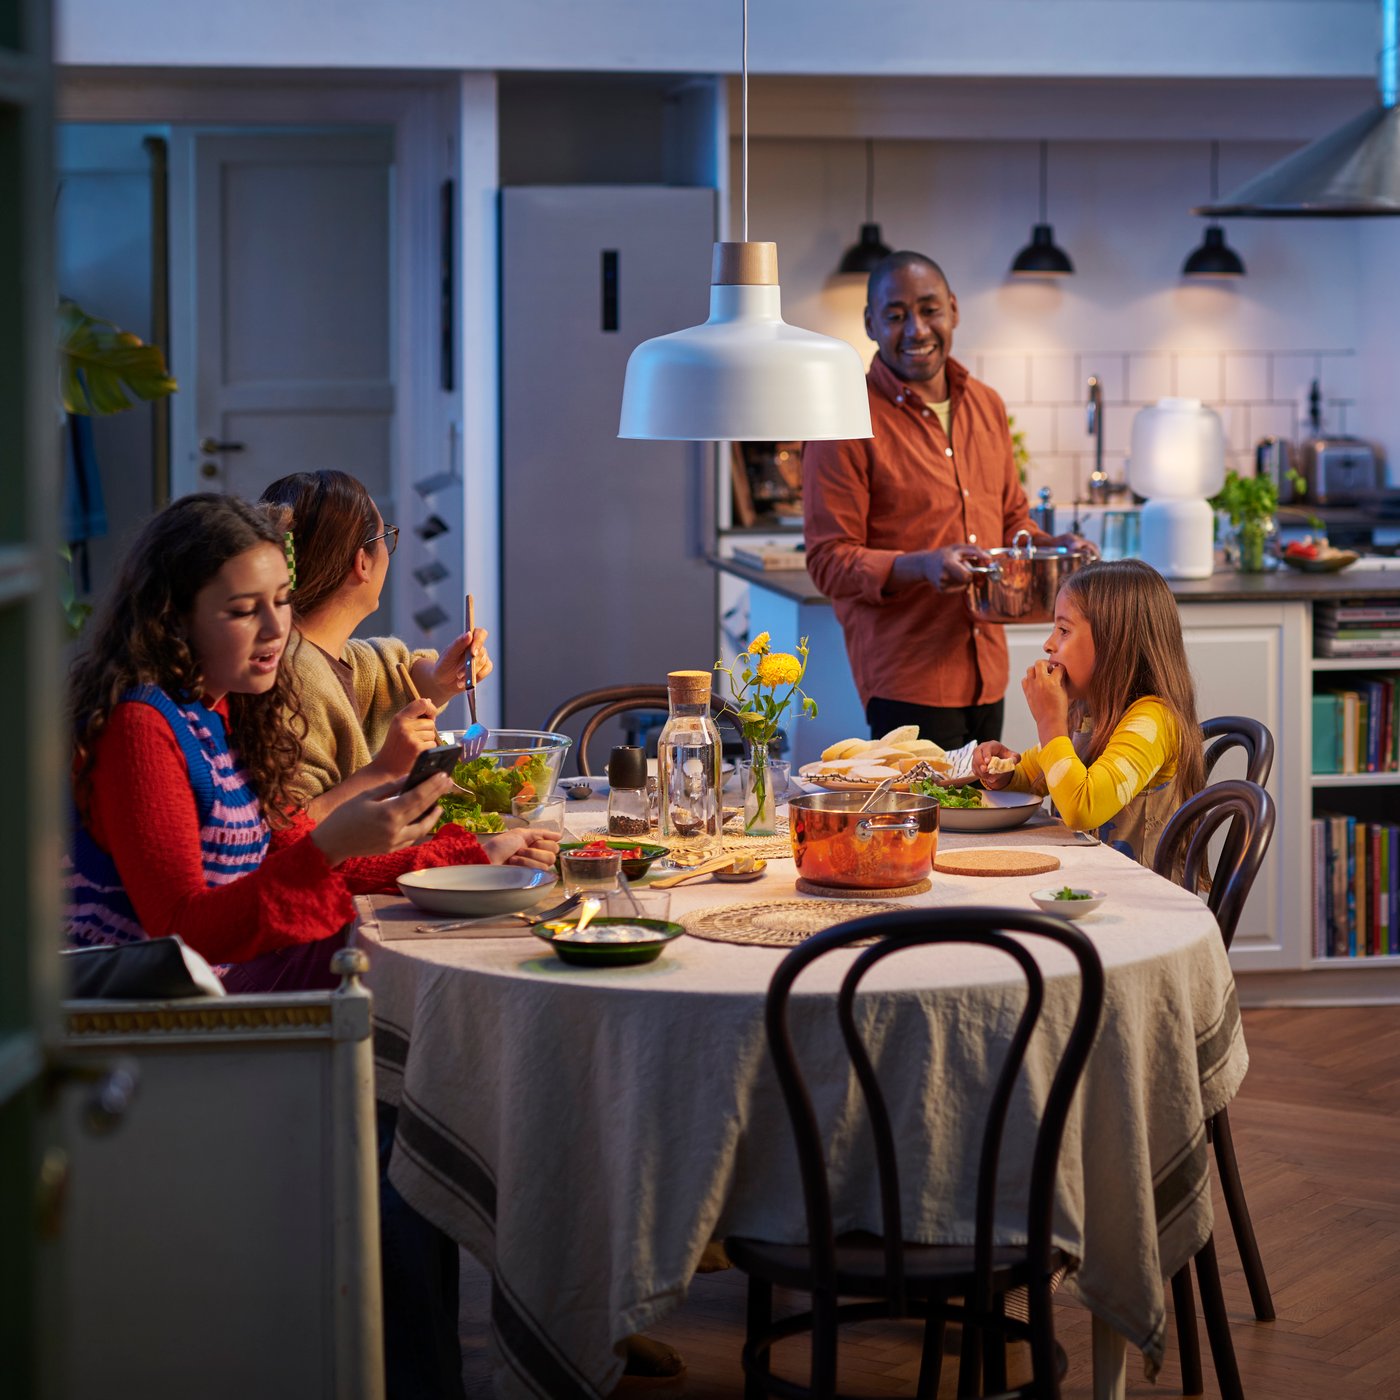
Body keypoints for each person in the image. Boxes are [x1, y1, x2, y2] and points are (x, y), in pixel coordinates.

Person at [64, 493, 559, 994]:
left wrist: (474, 855)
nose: (275, 628)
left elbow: (295, 852)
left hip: (224, 981)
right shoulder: (142, 726)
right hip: (154, 1018)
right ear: (172, 618)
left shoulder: (230, 709)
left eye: (282, 600)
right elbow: (182, 933)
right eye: (242, 611)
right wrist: (336, 843)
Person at [804, 250, 1091, 750]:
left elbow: (1011, 519)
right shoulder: (843, 416)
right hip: (907, 677)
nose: (916, 329)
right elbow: (829, 561)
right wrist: (922, 566)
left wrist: (1051, 547)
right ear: (870, 323)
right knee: (926, 826)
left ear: (954, 310)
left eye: (929, 310)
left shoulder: (985, 403)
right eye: (895, 315)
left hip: (989, 670)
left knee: (984, 819)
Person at [258, 469, 493, 815]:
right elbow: (292, 827)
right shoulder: (296, 679)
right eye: (386, 538)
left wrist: (442, 677)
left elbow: (387, 671)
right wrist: (385, 770)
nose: (388, 551)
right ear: (362, 562)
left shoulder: (319, 653)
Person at [971, 558, 1206, 868]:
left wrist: (1049, 722)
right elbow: (1034, 775)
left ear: (1114, 643)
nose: (1048, 644)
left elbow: (1083, 808)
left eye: (1063, 630)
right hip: (1084, 887)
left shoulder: (1154, 721)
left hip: (1138, 903)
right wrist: (1003, 773)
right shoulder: (1089, 714)